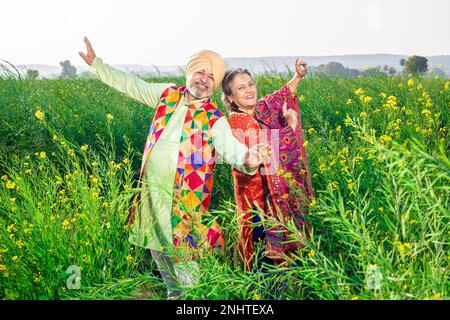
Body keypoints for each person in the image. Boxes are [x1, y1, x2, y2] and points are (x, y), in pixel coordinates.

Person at [79, 37, 268, 298]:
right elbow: (132, 84)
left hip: (184, 208)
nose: (204, 78)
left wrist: (247, 159)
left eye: (211, 76)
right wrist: (97, 65)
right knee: (170, 280)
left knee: (191, 284)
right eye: (200, 71)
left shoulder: (215, 118)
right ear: (190, 72)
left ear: (215, 85)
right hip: (152, 202)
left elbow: (231, 148)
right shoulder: (167, 95)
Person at [221, 60, 314, 272]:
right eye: (241, 88)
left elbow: (277, 97)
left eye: (250, 84)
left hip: (269, 204)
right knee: (264, 265)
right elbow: (267, 151)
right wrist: (290, 127)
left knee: (276, 266)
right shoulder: (239, 122)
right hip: (257, 207)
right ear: (230, 97)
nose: (249, 90)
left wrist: (297, 76)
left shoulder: (256, 111)